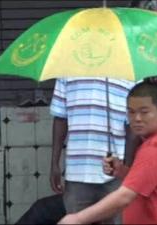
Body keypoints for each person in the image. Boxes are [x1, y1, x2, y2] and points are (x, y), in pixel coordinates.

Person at [58, 82, 157, 224]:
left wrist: (77, 218)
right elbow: (147, 182)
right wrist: (121, 170)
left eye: (144, 112)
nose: (137, 118)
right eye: (131, 112)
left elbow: (125, 196)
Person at [50, 77, 135, 224]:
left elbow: (132, 127)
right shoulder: (65, 70)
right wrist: (54, 163)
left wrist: (126, 168)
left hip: (115, 174)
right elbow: (60, 118)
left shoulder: (129, 73)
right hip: (77, 173)